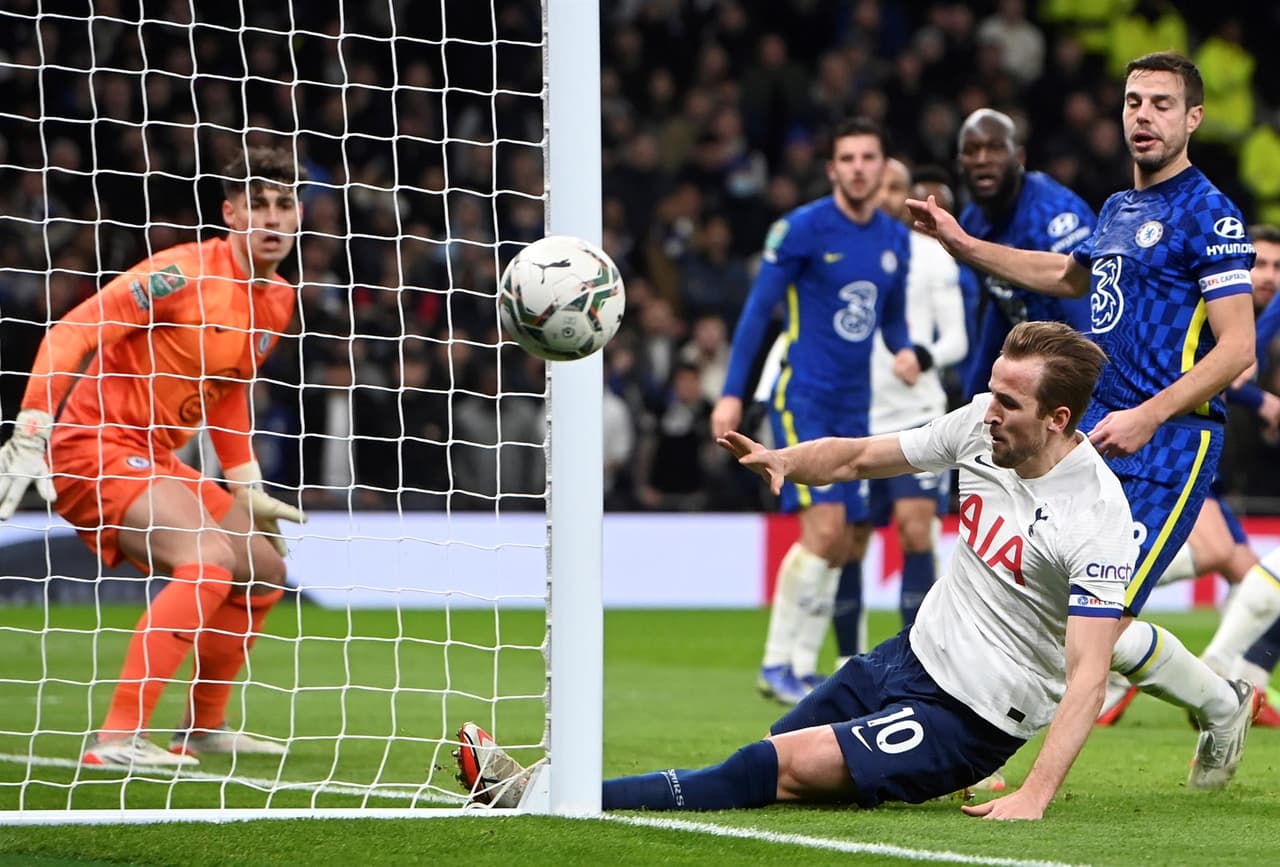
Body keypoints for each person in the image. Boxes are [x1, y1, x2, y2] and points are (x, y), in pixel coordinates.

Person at [457, 321, 1157, 819]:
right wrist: (788, 460)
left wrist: (1033, 796)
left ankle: (550, 795)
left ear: (1059, 418)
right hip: (903, 660)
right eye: (992, 391)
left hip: (968, 716)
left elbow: (1090, 675)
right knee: (764, 757)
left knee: (768, 772)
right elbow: (859, 457)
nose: (990, 410)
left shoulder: (1094, 517)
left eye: (1010, 401)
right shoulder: (979, 426)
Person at [906, 52, 1261, 785]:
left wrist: (1150, 413)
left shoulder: (1210, 215)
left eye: (1163, 104)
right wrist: (964, 245)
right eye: (1134, 102)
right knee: (1061, 603)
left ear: (1193, 117)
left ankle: (1221, 706)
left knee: (1099, 617)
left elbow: (1238, 347)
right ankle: (1222, 697)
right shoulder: (1118, 209)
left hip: (1168, 442)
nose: (1144, 116)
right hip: (1096, 432)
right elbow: (1068, 274)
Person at [0, 146, 306, 767]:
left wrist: (245, 483)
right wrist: (31, 427)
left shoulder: (277, 299)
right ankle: (117, 737)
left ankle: (203, 727)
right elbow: (75, 330)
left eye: (285, 205)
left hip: (154, 458)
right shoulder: (180, 274)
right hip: (94, 445)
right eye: (258, 206)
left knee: (264, 567)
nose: (272, 220)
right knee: (208, 557)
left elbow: (228, 394)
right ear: (231, 213)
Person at [710, 118, 920, 705]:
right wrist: (732, 392)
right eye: (847, 157)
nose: (858, 166)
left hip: (858, 404)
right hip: (803, 396)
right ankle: (779, 661)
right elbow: (758, 313)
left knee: (851, 538)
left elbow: (893, 314)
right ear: (832, 168)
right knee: (826, 528)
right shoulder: (801, 228)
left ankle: (800, 666)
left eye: (868, 156)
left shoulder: (893, 238)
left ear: (882, 167)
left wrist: (903, 347)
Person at [831, 159, 968, 667]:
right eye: (880, 186)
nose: (885, 195)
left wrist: (923, 355)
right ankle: (847, 660)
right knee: (850, 538)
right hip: (856, 417)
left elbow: (958, 338)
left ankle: (915, 659)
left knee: (915, 530)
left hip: (918, 414)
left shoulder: (932, 258)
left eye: (895, 187)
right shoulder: (843, 253)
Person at [953, 108, 1096, 401]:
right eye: (972, 150)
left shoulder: (1055, 216)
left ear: (1019, 158)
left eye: (994, 148)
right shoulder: (973, 221)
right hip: (1033, 361)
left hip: (1079, 363)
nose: (982, 159)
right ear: (960, 162)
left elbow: (1089, 315)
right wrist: (973, 399)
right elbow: (1002, 301)